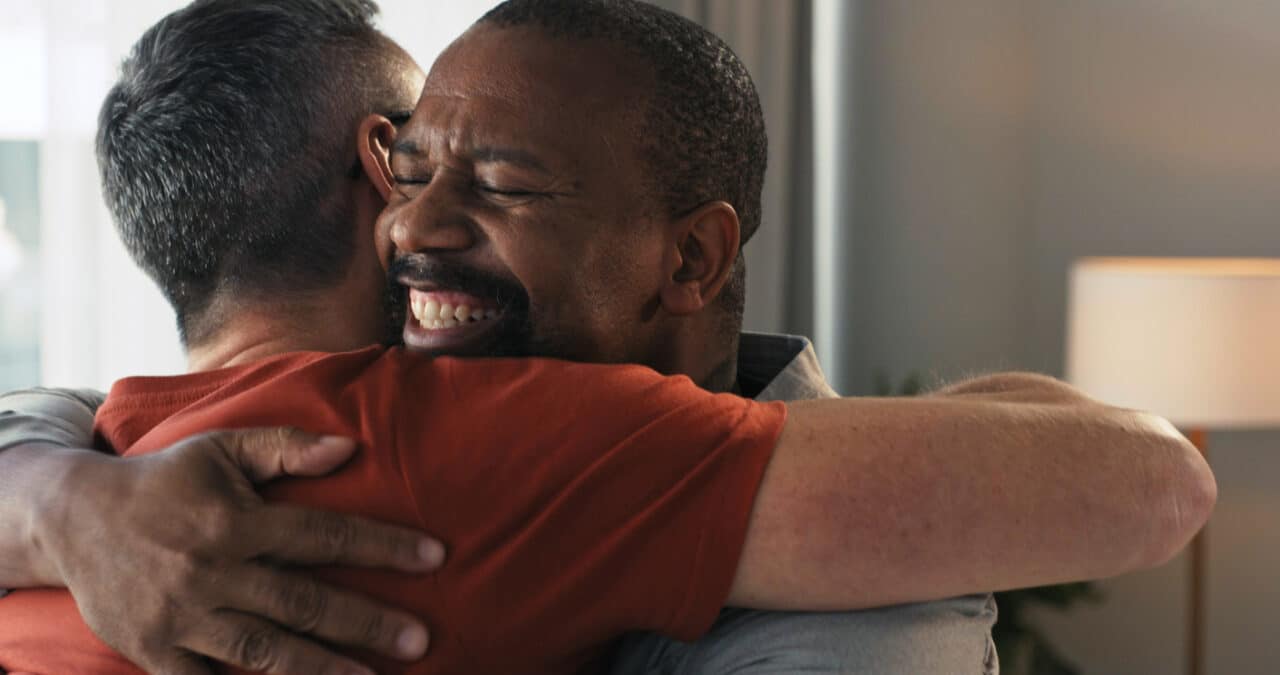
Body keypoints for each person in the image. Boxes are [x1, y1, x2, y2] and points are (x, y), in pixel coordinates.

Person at [0, 1, 1217, 674]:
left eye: (503, 182)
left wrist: (51, 492)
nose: (418, 221)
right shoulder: (455, 442)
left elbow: (1152, 483)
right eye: (412, 161)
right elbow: (1150, 483)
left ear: (689, 256)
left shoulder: (118, 445)